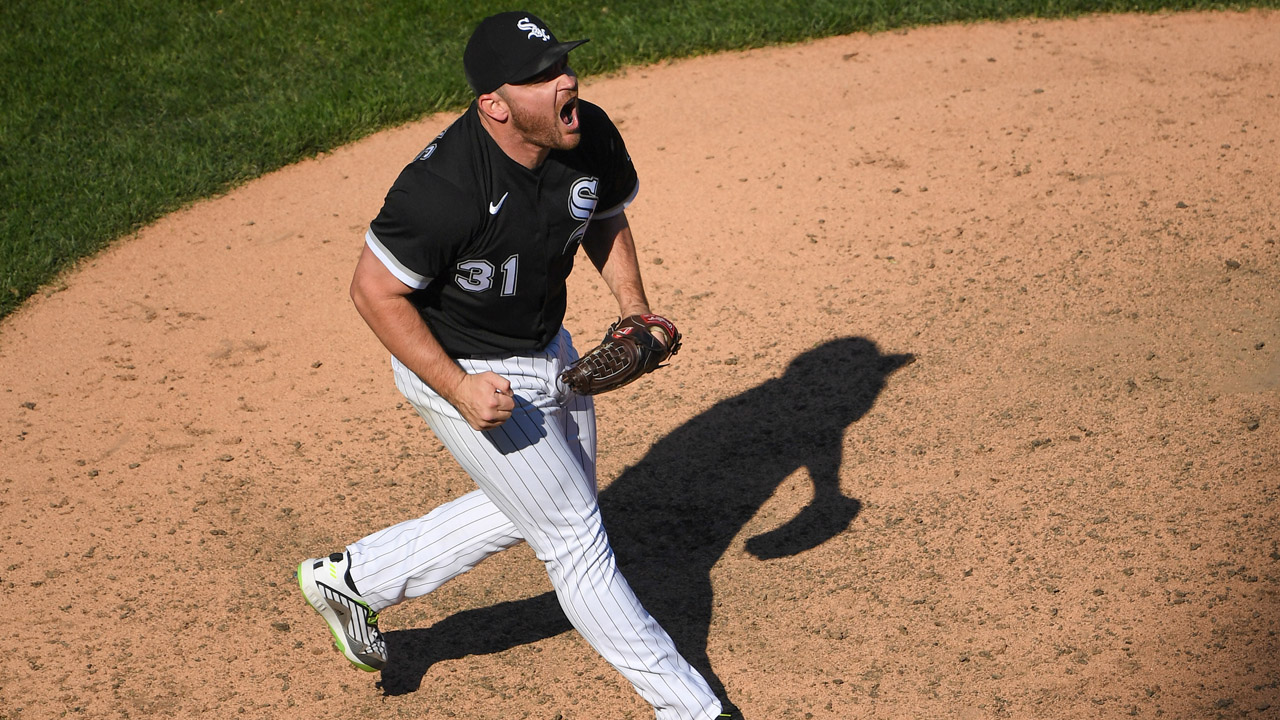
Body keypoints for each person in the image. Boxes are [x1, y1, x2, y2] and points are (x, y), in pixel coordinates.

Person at [296, 12, 736, 720]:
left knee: (558, 504)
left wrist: (634, 309)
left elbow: (603, 214)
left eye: (562, 64)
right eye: (540, 76)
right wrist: (458, 387)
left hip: (544, 345)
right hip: (459, 363)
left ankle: (357, 579)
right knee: (573, 538)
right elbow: (373, 291)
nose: (566, 79)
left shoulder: (584, 132)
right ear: (494, 105)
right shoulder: (442, 190)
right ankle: (690, 709)